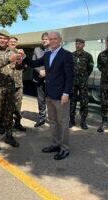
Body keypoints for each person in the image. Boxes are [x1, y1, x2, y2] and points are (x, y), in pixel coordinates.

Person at [22, 31, 74, 160]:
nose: (52, 41)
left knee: (62, 123)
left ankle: (64, 148)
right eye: (50, 39)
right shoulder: (47, 54)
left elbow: (70, 77)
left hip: (61, 96)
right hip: (49, 94)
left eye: (55, 39)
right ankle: (56, 144)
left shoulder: (66, 55)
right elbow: (34, 64)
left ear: (60, 40)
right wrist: (24, 57)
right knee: (53, 122)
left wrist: (66, 93)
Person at [70, 38, 94, 129]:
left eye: (80, 43)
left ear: (84, 45)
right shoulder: (71, 55)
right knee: (72, 101)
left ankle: (83, 121)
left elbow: (90, 68)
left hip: (83, 83)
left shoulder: (88, 56)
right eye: (76, 43)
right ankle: (71, 120)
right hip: (73, 83)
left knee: (84, 102)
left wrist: (84, 76)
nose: (77, 45)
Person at [8, 35, 27, 132]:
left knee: (18, 106)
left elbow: (25, 67)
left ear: (17, 43)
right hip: (7, 84)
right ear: (8, 42)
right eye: (11, 41)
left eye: (14, 42)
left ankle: (17, 123)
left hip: (18, 84)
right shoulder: (4, 53)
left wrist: (22, 59)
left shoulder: (20, 53)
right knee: (6, 106)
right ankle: (5, 126)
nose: (12, 43)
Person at [32, 32, 50, 127]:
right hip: (39, 79)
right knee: (41, 100)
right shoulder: (37, 49)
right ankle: (41, 118)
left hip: (51, 81)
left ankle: (53, 120)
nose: (44, 40)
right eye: (43, 39)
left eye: (46, 39)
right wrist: (40, 71)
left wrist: (46, 72)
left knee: (51, 100)